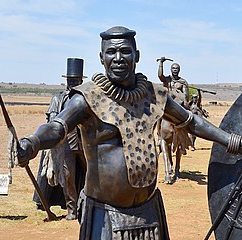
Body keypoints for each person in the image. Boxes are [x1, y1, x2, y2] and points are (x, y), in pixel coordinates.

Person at [17, 26, 242, 239]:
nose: (118, 58)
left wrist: (232, 141)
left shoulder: (155, 95)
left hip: (149, 211)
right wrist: (33, 142)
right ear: (101, 57)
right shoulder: (87, 98)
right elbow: (57, 127)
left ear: (137, 55)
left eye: (125, 51)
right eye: (111, 52)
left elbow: (190, 122)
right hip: (104, 215)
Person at [33, 58, 87, 220]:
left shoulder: (87, 98)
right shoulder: (58, 99)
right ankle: (72, 210)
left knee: (92, 176)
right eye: (71, 80)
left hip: (87, 144)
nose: (73, 83)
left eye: (76, 80)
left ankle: (90, 207)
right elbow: (52, 122)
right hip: (66, 145)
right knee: (68, 178)